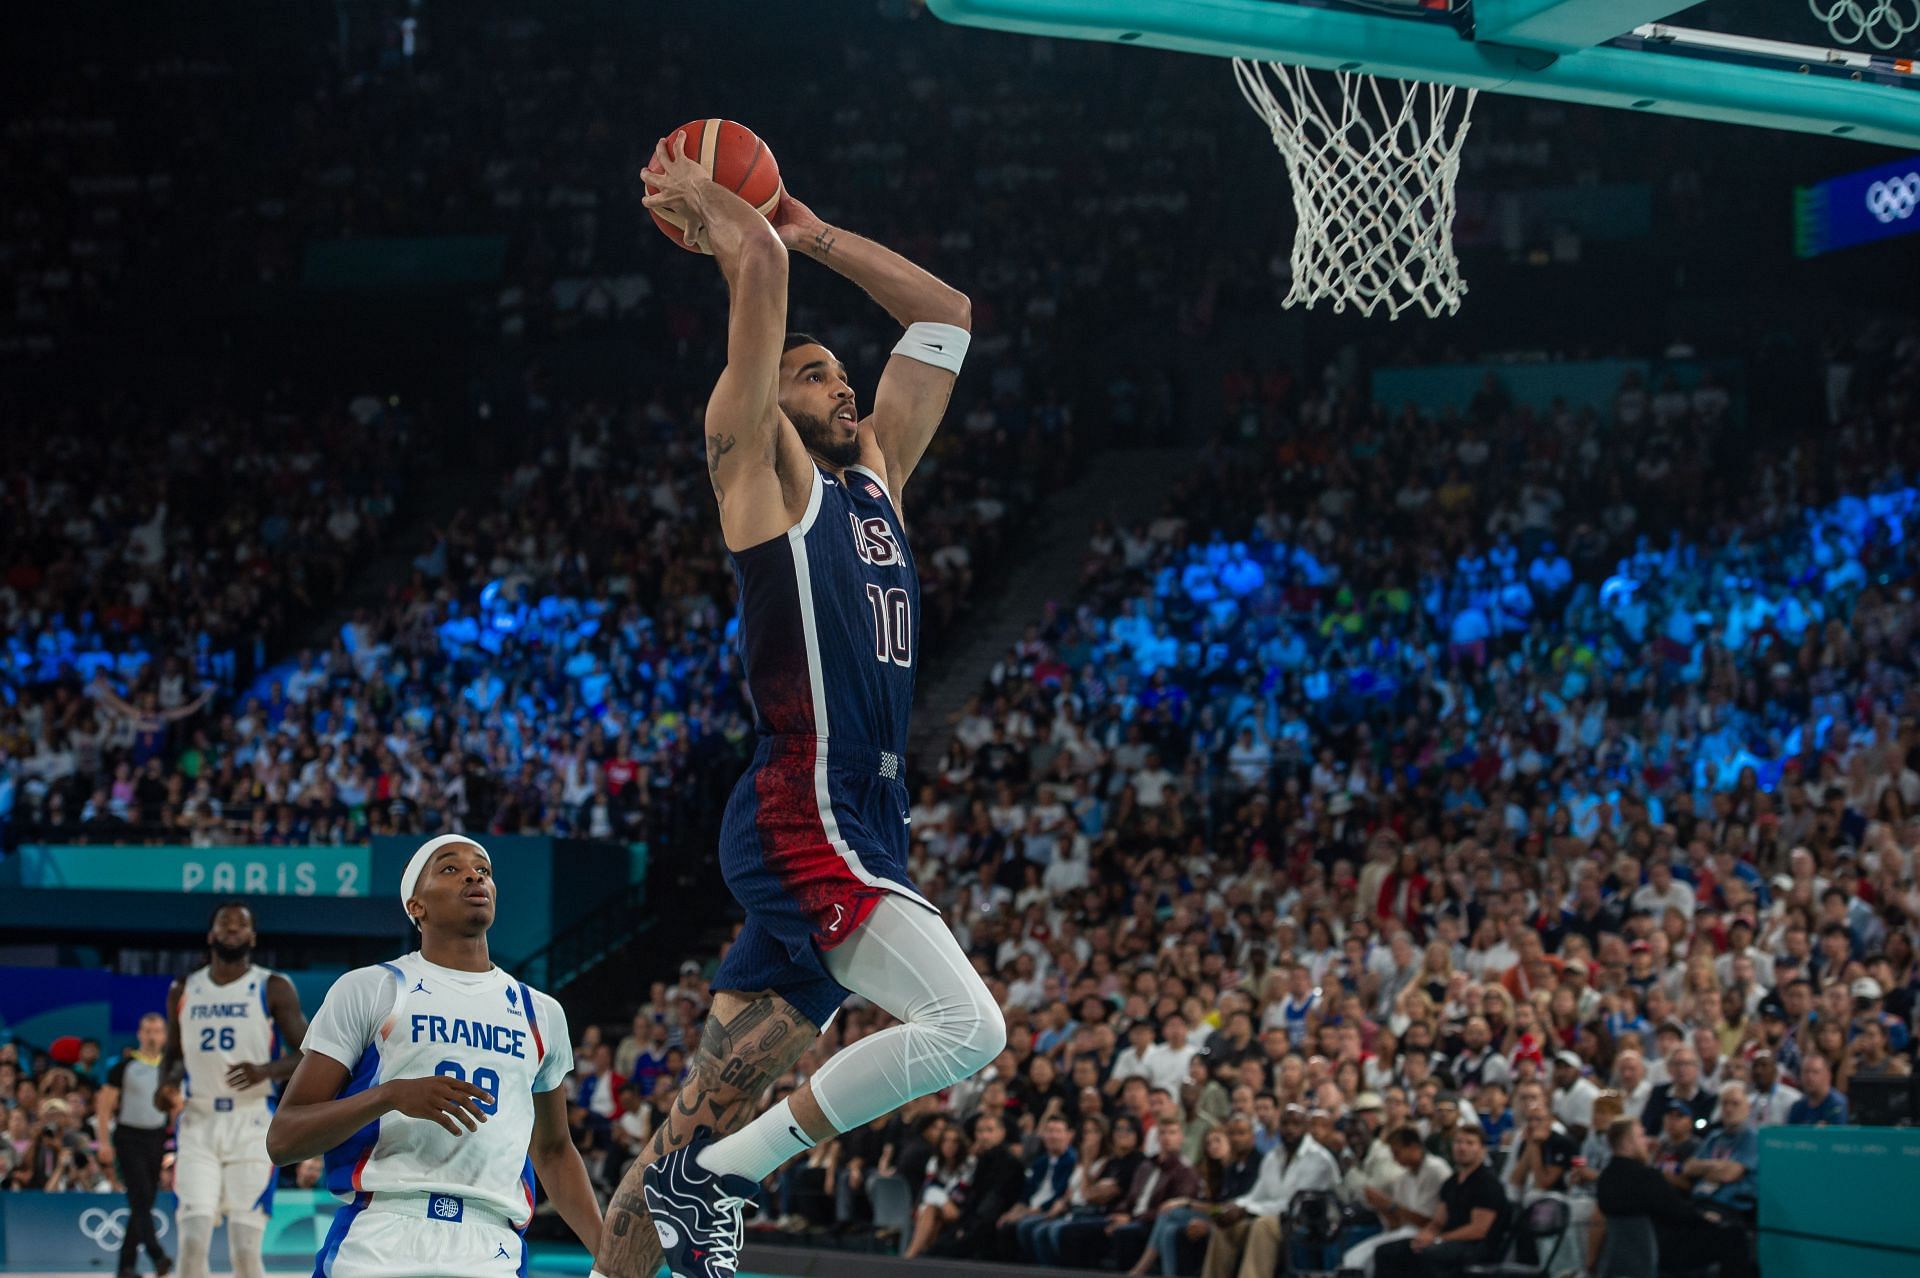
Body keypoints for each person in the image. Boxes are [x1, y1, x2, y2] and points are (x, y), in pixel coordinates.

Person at [605, 132, 994, 1278]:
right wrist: (732, 217)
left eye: (843, 376)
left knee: (694, 1107)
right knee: (970, 1030)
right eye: (816, 373)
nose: (844, 385)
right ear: (767, 394)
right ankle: (721, 1181)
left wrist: (809, 224)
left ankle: (674, 1199)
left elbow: (947, 315)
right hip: (802, 804)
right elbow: (760, 293)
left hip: (867, 818)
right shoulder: (760, 474)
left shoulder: (877, 487)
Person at [266, 835, 602, 1275]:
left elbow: (555, 1151)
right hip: (382, 1233)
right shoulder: (372, 988)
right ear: (415, 906)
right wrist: (389, 1096)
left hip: (492, 1245)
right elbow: (283, 1140)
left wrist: (609, 1250)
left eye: (483, 870)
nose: (473, 875)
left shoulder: (540, 1012)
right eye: (449, 868)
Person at [156, 901, 310, 1278]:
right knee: (191, 1250)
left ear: (252, 937)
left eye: (241, 925)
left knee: (244, 1253)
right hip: (198, 1121)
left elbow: (309, 1055)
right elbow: (173, 1054)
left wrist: (266, 1070)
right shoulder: (184, 988)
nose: (232, 929)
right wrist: (167, 1085)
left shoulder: (271, 986)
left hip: (252, 1122)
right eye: (224, 923)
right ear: (211, 935)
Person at [1594, 1117, 1750, 1277]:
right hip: (1665, 1251)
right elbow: (1679, 1212)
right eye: (1641, 1136)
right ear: (1627, 1143)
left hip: (1632, 1254)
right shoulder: (1646, 1177)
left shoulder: (1605, 1179)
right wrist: (1705, 1217)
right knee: (1733, 1235)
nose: (1646, 1142)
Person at [1200, 1102, 1339, 1278]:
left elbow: (1294, 1204)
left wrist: (1245, 1210)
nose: (1289, 1129)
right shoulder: (1273, 1157)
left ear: (1306, 1127)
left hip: (1305, 1224)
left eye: (1296, 1124)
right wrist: (1233, 1207)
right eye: (1285, 1124)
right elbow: (1258, 1194)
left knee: (1263, 1225)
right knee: (1226, 1226)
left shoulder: (1319, 1160)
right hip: (1273, 1218)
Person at [95, 1014, 173, 1278]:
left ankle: (125, 1266)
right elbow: (104, 1105)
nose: (152, 1036)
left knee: (144, 1201)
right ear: (140, 1034)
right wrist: (104, 1141)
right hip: (129, 1137)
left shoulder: (170, 1068)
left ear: (164, 1035)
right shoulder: (123, 1066)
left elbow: (176, 1107)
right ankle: (156, 1253)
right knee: (140, 1196)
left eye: (157, 1031)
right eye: (148, 1030)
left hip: (157, 1137)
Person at [1373, 1125, 1508, 1277]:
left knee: (1428, 1255)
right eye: (1458, 1142)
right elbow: (1438, 1221)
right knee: (1388, 1252)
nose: (1462, 1147)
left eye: (1470, 1143)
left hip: (1476, 1246)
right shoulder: (1451, 1182)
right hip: (1447, 1241)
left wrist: (1438, 1239)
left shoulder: (1487, 1182)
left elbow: (1478, 1229)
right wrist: (1424, 1236)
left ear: (1482, 1149)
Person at [1342, 1126, 1450, 1278]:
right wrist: (1381, 1206)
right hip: (1403, 1231)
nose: (1394, 1158)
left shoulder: (1436, 1170)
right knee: (1353, 1257)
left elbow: (1428, 1221)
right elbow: (1396, 1223)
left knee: (1373, 1256)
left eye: (1397, 1153)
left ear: (1413, 1147)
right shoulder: (1403, 1178)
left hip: (1428, 1233)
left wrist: (1390, 1205)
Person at [1786, 1051, 1849, 1125]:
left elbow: (1836, 1134)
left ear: (1828, 1075)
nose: (1809, 1077)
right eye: (1806, 1072)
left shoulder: (1836, 1104)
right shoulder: (1797, 1107)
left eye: (1815, 1072)